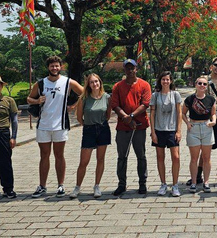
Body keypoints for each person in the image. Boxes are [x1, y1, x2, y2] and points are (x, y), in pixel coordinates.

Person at [27, 56, 83, 198]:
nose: (54, 68)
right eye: (52, 66)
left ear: (61, 67)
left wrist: (75, 106)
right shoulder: (40, 83)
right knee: (44, 155)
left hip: (60, 124)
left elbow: (84, 92)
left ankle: (60, 185)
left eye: (57, 66)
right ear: (48, 68)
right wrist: (37, 100)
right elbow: (29, 98)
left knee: (59, 155)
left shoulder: (67, 82)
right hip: (44, 124)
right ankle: (42, 186)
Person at [186, 57, 217, 187]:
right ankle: (198, 175)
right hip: (206, 120)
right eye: (216, 65)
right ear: (211, 66)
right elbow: (195, 96)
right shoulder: (204, 80)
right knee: (204, 148)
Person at [111, 59, 152, 196]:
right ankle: (121, 184)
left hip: (140, 126)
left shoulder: (144, 85)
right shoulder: (118, 86)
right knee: (122, 156)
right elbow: (115, 105)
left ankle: (142, 183)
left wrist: (132, 116)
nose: (130, 71)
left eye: (132, 68)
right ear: (124, 69)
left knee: (141, 155)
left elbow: (145, 103)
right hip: (123, 127)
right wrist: (127, 119)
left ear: (136, 69)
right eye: (127, 68)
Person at [70, 74, 112, 199]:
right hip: (89, 130)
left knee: (100, 159)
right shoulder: (84, 99)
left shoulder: (107, 97)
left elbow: (108, 115)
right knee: (84, 161)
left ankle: (97, 185)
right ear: (88, 84)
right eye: (92, 82)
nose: (95, 84)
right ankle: (77, 186)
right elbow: (79, 117)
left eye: (96, 81)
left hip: (103, 128)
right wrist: (87, 126)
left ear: (100, 82)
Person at [149, 71, 183, 197]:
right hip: (159, 129)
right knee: (160, 157)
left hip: (172, 129)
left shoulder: (175, 95)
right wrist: (153, 132)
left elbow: (179, 113)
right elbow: (152, 114)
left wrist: (179, 130)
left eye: (167, 79)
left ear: (171, 81)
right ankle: (163, 184)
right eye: (163, 79)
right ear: (160, 81)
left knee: (176, 157)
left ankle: (175, 185)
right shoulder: (155, 95)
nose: (165, 81)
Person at [182, 76, 216, 193]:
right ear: (195, 85)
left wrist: (214, 121)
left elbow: (213, 113)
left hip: (206, 128)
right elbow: (182, 113)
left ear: (207, 87)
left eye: (205, 84)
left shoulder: (211, 99)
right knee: (194, 158)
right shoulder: (190, 99)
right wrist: (187, 123)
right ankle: (194, 182)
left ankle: (206, 182)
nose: (202, 86)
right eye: (200, 83)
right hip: (194, 128)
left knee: (207, 158)